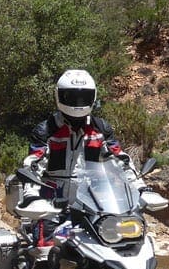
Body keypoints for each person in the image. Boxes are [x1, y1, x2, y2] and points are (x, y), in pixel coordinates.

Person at [18, 69, 143, 210]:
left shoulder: (100, 129)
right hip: (51, 202)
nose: (78, 102)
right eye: (72, 96)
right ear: (59, 95)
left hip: (92, 201)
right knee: (45, 229)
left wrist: (141, 188)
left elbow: (120, 159)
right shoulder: (47, 130)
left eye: (83, 97)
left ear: (93, 97)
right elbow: (33, 164)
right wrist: (32, 196)